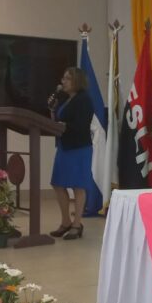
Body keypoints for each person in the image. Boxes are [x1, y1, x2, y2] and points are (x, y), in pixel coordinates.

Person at [47, 67, 93, 240]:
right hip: (64, 147)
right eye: (63, 78)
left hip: (79, 148)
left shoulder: (84, 99)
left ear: (77, 81)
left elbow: (82, 125)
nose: (63, 81)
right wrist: (52, 110)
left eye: (67, 78)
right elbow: (58, 122)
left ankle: (77, 224)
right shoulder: (66, 99)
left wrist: (64, 126)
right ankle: (66, 222)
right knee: (58, 184)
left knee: (78, 186)